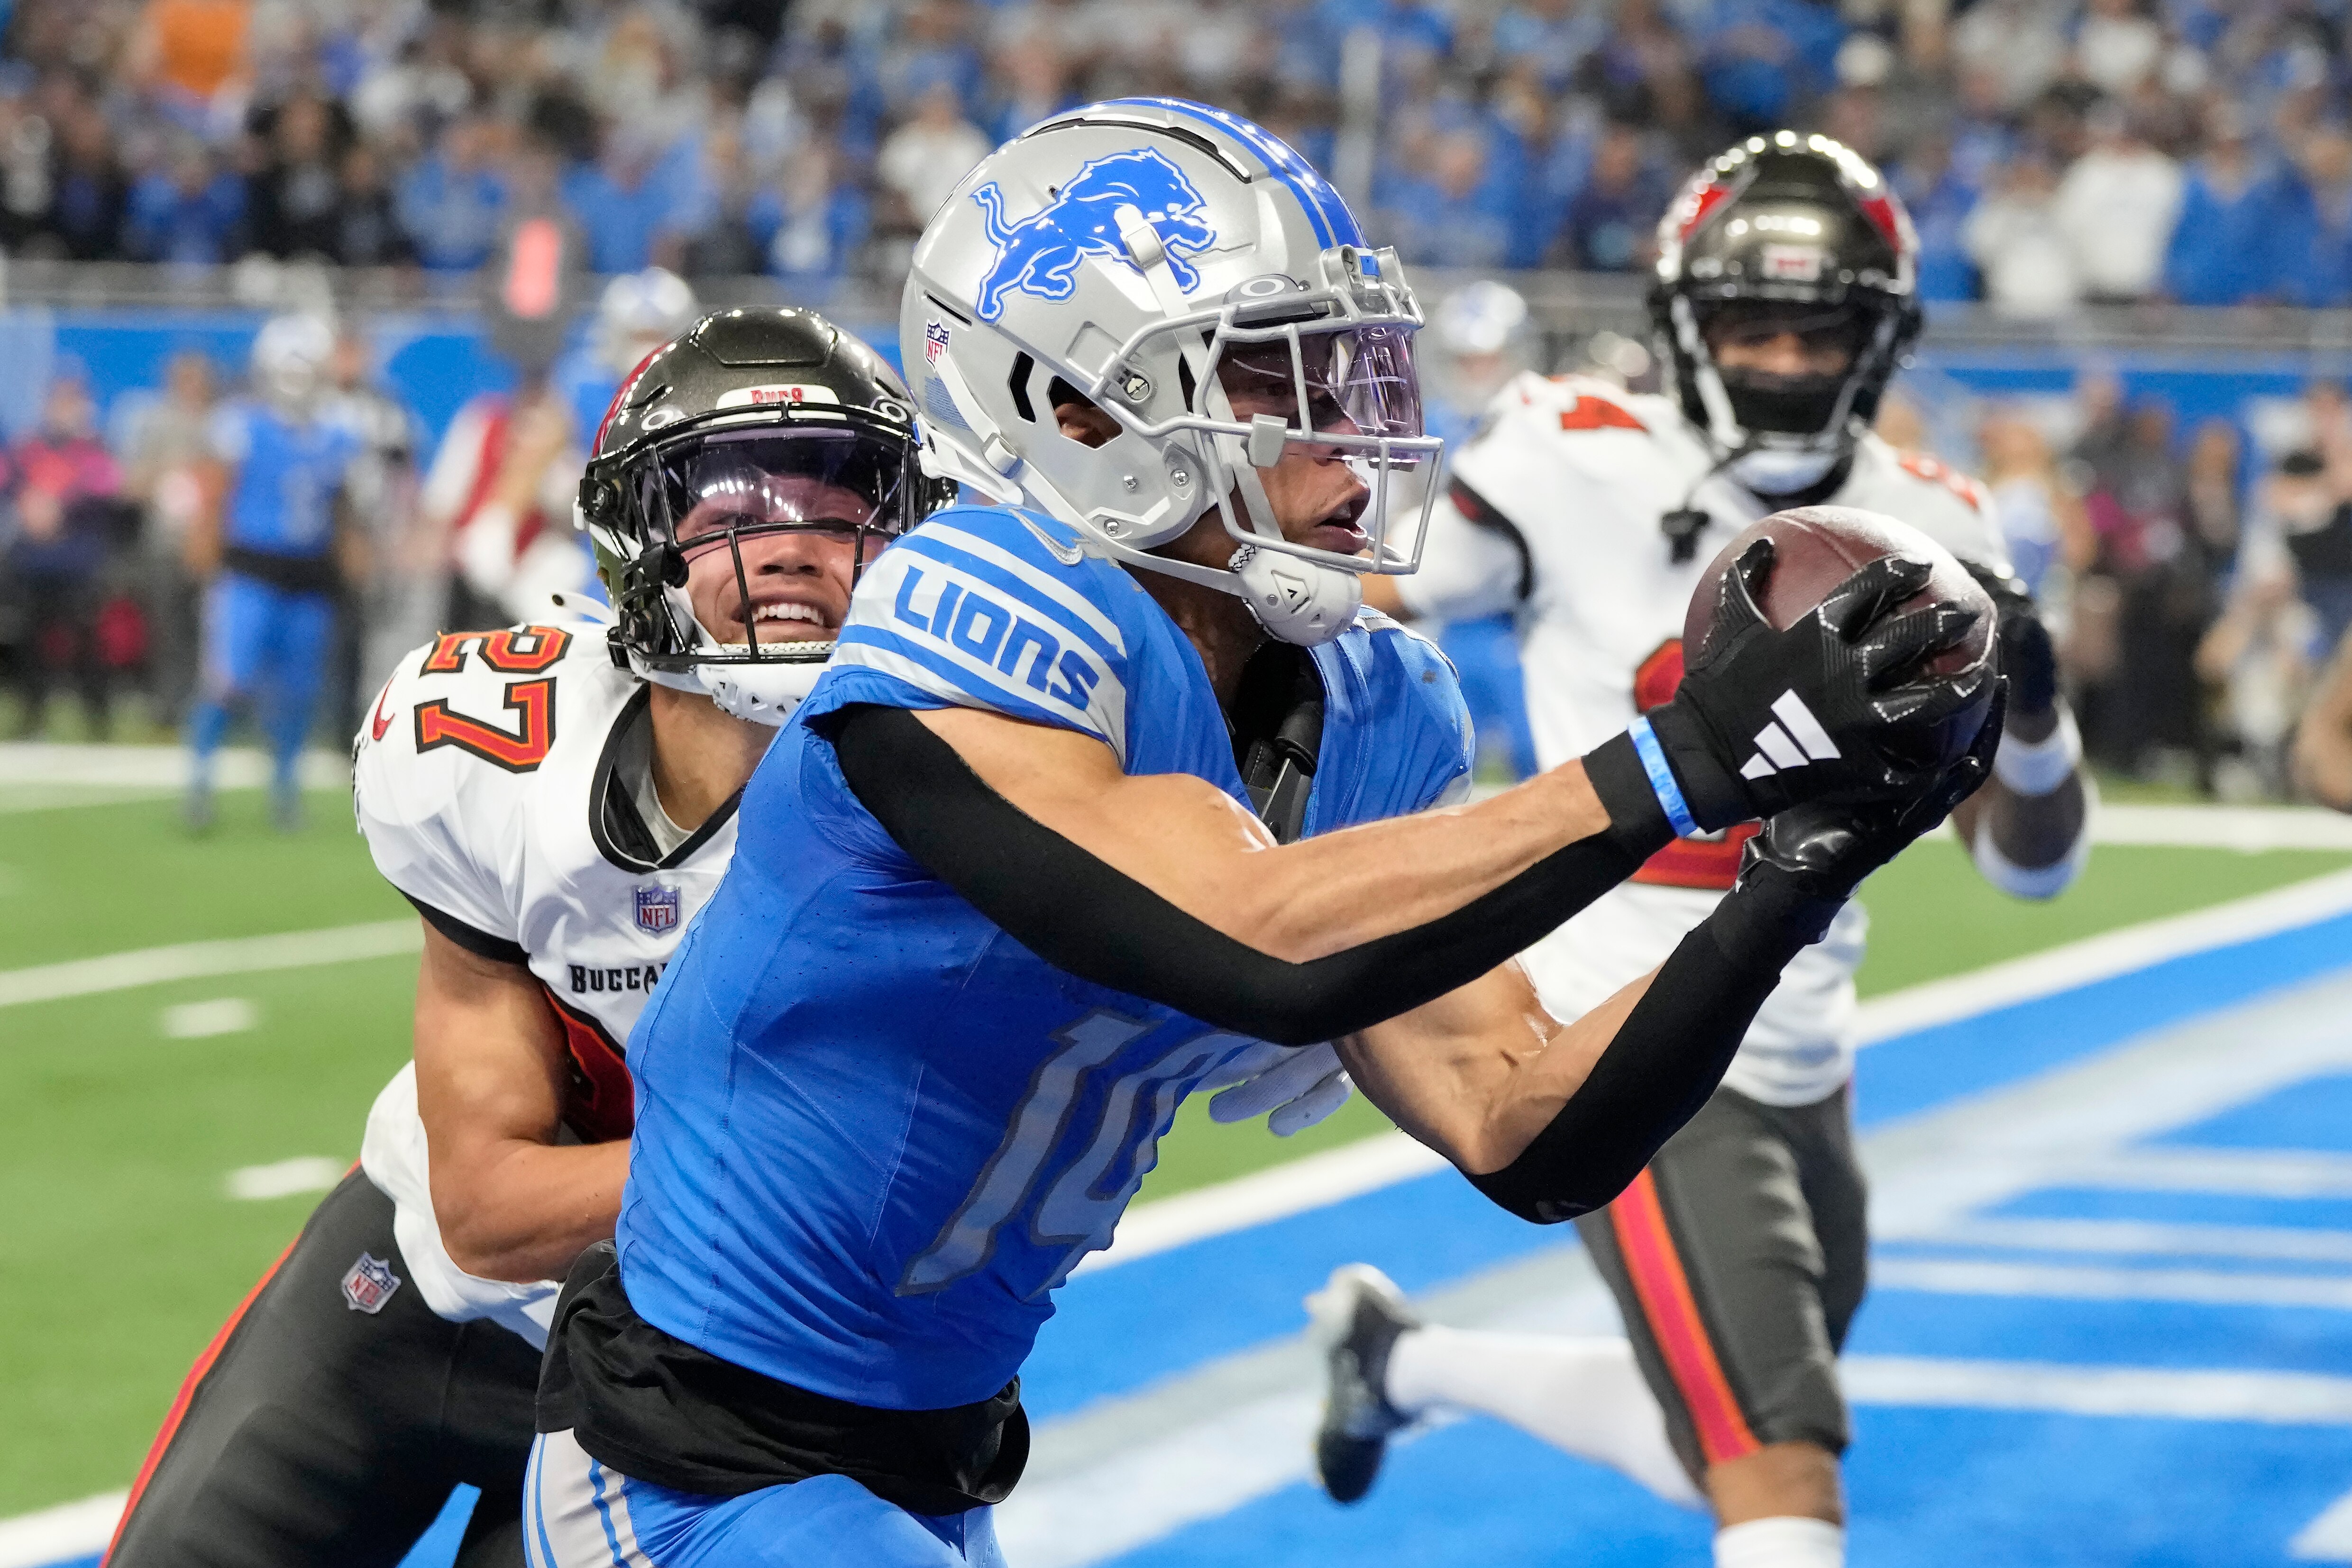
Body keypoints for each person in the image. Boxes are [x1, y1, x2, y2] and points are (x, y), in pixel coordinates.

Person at [522, 99, 1997, 1568]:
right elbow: (1258, 942)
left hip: (936, 1462)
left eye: (1362, 375)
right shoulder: (968, 606)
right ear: (1076, 408)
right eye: (1290, 381)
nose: (1359, 440)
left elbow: (1525, 1126)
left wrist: (1796, 868)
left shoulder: (1369, 702)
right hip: (692, 1452)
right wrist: (1680, 761)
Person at [1320, 132, 2088, 1568]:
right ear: (1684, 324)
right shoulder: (1567, 451)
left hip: (1806, 1036)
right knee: (1777, 1467)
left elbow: (2033, 863)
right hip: (1613, 1015)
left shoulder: (1940, 515)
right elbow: (1354, 615)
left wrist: (2033, 711)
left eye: (1822, 328)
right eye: (1755, 323)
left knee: (1715, 1427)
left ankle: (1401, 1361)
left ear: (1885, 339)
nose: (1789, 360)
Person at [103, 307, 962, 1568]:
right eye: (732, 500)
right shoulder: (508, 754)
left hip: (708, 1381)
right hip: (410, 1298)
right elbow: (486, 1209)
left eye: (838, 500)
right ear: (641, 536)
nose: (788, 544)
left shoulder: (974, 807)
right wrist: (814, 1167)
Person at [183, 314, 361, 831]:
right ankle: (199, 782)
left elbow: (343, 508)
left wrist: (355, 558)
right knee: (228, 678)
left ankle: (285, 788)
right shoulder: (241, 425)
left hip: (308, 574)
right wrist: (205, 553)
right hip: (249, 568)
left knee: (297, 689)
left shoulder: (339, 431)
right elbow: (215, 492)